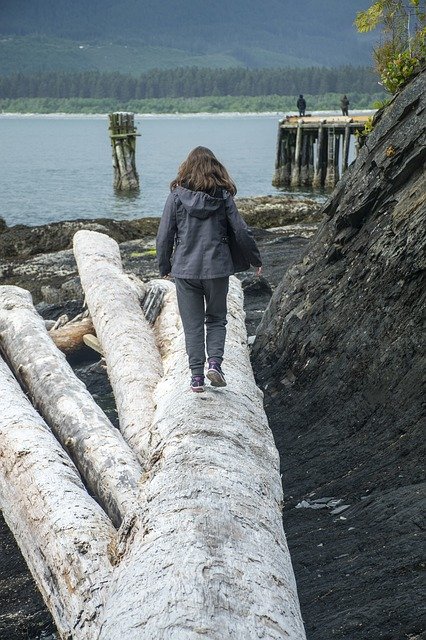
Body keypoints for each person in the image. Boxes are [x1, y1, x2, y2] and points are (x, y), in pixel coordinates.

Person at [156, 146, 262, 393]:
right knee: (216, 319)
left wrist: (164, 266)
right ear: (215, 168)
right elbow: (241, 230)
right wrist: (255, 259)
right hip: (217, 268)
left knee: (192, 325)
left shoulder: (176, 196)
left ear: (187, 168)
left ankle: (196, 377)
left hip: (185, 270)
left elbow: (164, 236)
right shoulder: (223, 197)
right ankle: (214, 364)